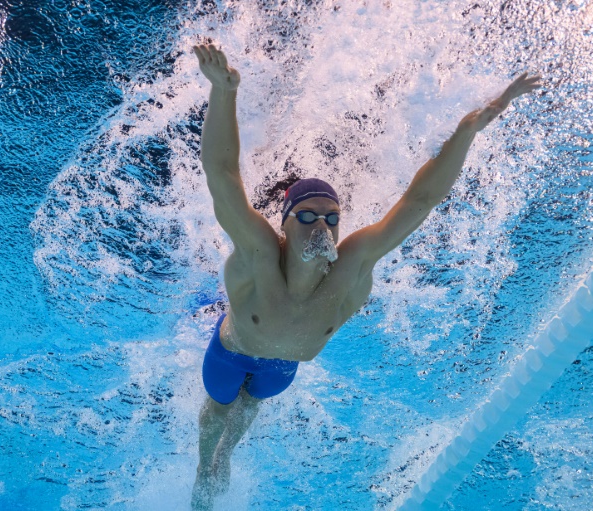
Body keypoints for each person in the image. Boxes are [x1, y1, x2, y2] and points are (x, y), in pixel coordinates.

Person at [190, 41, 541, 510]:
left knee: (247, 412)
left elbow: (420, 201)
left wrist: (470, 128)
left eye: (332, 218)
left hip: (281, 370)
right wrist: (224, 91)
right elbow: (221, 173)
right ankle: (201, 472)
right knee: (216, 415)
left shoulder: (353, 265)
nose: (322, 227)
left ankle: (226, 456)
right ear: (285, 222)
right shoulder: (258, 254)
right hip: (232, 353)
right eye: (309, 217)